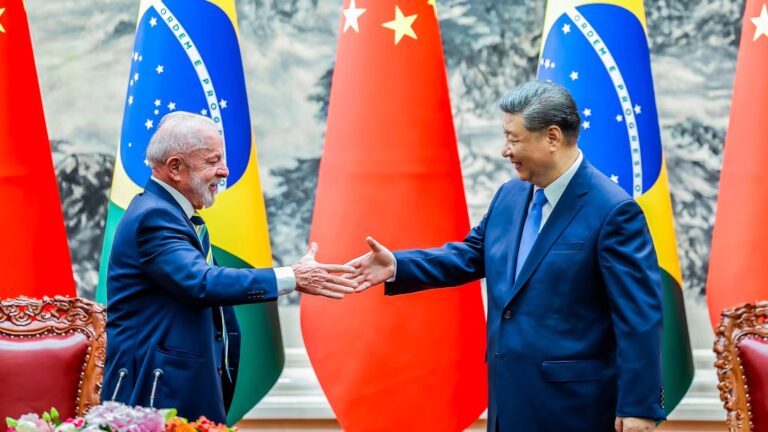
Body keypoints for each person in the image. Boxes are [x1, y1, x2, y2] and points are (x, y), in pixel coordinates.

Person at [347, 81, 665, 432]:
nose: (505, 151)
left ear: (553, 137)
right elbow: (471, 255)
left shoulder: (613, 211)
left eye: (513, 139)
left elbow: (639, 318)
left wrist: (639, 407)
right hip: (509, 398)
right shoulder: (510, 195)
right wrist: (397, 265)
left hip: (575, 408)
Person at [102, 111, 356, 423]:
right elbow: (200, 282)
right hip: (156, 397)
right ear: (175, 167)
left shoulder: (173, 214)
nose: (224, 171)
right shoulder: (155, 217)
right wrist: (291, 277)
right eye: (212, 161)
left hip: (177, 391)